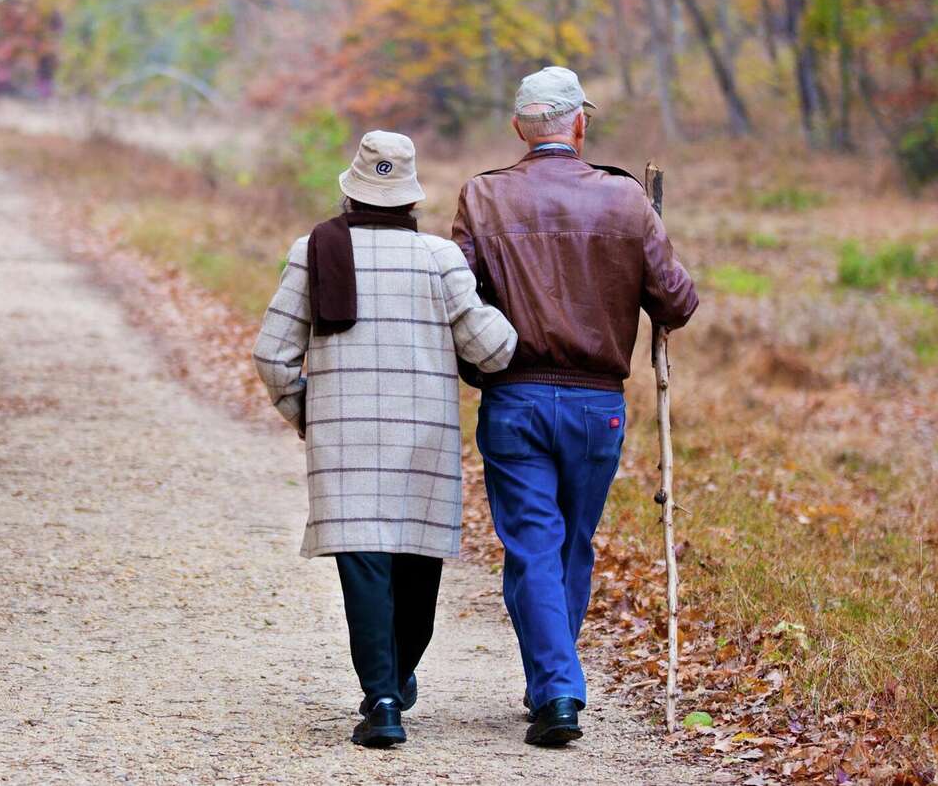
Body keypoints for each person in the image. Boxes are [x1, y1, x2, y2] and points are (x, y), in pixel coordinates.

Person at [451, 67, 699, 747]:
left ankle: (553, 685)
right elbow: (678, 301)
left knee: (534, 543)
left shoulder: (483, 196)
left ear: (518, 129)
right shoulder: (624, 200)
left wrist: (477, 355)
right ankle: (556, 684)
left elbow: (454, 294)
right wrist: (647, 235)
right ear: (580, 125)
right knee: (569, 543)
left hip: (515, 395)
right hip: (597, 406)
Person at [252, 130, 517, 749]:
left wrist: (308, 414)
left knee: (364, 563)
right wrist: (503, 308)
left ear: (351, 193)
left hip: (343, 441)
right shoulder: (439, 259)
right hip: (423, 436)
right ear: (411, 201)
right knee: (416, 563)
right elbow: (494, 351)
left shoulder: (312, 251)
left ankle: (384, 698)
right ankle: (395, 679)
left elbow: (272, 355)